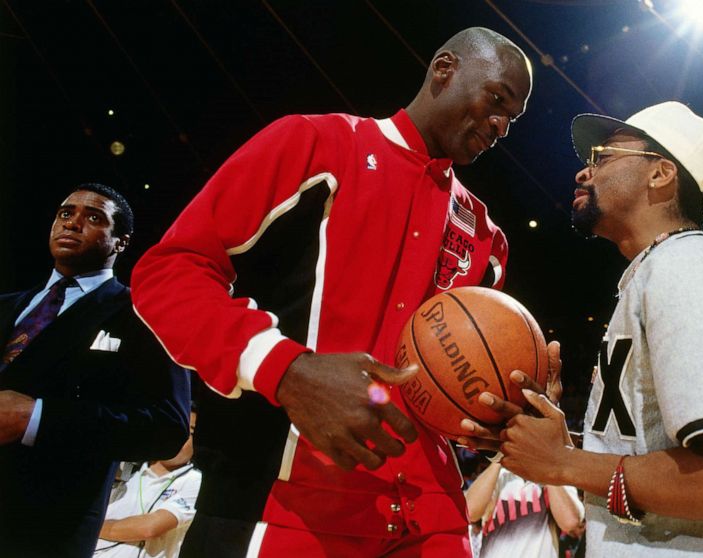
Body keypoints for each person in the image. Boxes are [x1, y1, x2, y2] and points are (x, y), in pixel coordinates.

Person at [130, 27, 535, 556]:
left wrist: (496, 412)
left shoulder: (487, 237)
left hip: (433, 519)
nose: (502, 125)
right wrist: (286, 369)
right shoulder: (314, 143)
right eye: (497, 100)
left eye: (513, 117)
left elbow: (448, 391)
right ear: (444, 69)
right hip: (279, 506)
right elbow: (168, 271)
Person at [483, 101, 703, 555]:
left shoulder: (687, 263)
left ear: (661, 173)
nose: (584, 173)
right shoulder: (663, 270)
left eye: (602, 156)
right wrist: (561, 441)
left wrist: (566, 463)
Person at [0, 184, 192, 557]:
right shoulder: (7, 306)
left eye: (93, 218)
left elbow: (167, 426)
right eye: (65, 213)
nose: (72, 224)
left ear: (121, 241)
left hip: (43, 529)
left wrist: (37, 417)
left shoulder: (142, 315)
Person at [95, 411, 201, 558]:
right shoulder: (124, 468)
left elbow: (149, 528)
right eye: (173, 429)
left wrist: (90, 527)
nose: (177, 439)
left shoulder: (194, 481)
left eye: (188, 432)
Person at [465, 461, 584, 557]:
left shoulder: (556, 478)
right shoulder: (500, 475)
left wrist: (547, 463)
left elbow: (570, 522)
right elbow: (469, 513)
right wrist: (499, 458)